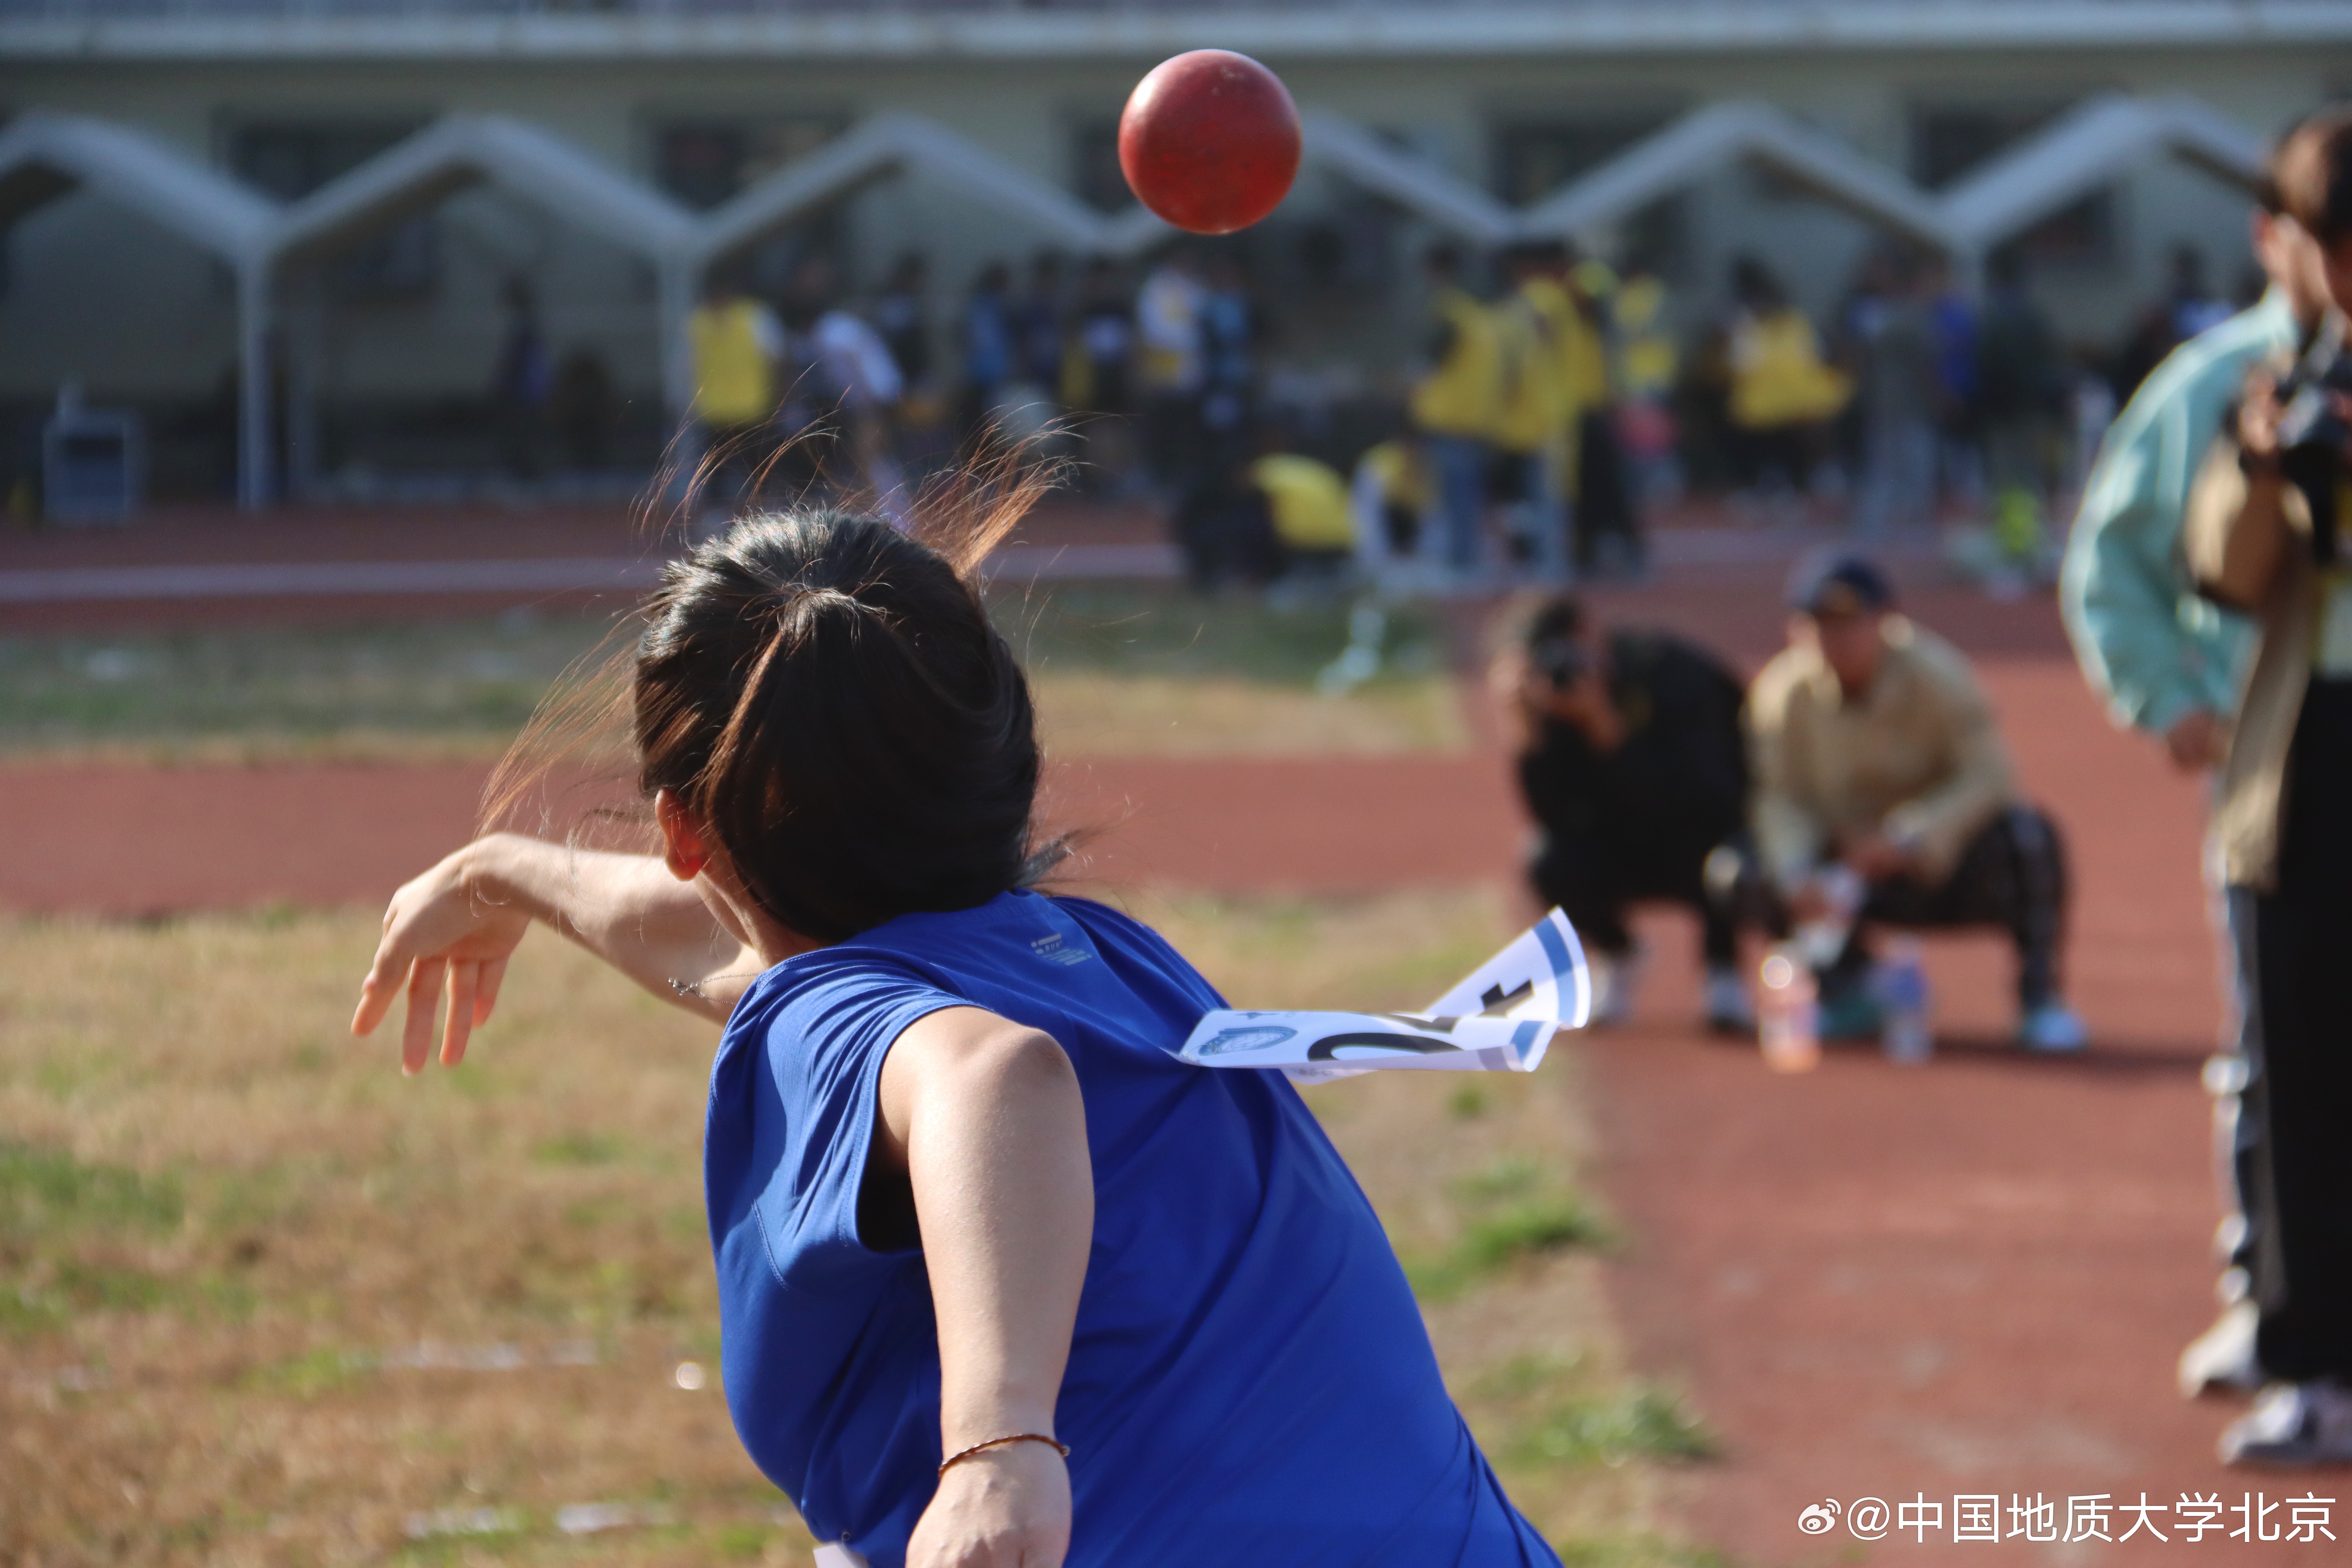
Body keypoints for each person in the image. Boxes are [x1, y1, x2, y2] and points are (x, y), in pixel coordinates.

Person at [349, 488, 1566, 1568]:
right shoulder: (1093, 958)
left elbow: (989, 1077)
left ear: (681, 828)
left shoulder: (883, 1021)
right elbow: (724, 940)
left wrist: (997, 1447)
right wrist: (504, 870)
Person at [2062, 126, 2330, 1403]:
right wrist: (2162, 692)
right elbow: (2113, 558)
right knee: (2270, 1041)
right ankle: (2262, 1289)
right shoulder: (2211, 383)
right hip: (2270, 757)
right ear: (2267, 232)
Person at [2179, 107, 2352, 1467]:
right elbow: (2228, 576)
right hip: (2311, 748)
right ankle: (2313, 1359)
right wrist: (2268, 465)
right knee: (2300, 1058)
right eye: (2330, 244)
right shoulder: (2283, 375)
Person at [1720, 554, 2085, 1050]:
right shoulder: (1781, 694)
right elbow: (1779, 796)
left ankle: (2040, 1000)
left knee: (2030, 840)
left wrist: (1909, 837)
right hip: (1840, 869)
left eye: (1850, 624)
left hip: (1935, 863)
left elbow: (1991, 774)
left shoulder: (1939, 676)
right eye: (1820, 626)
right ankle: (1845, 987)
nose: (1835, 640)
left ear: (1886, 622)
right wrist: (1796, 873)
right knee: (1736, 872)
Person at [1498, 596, 1751, 1032]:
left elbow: (1702, 802)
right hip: (1620, 844)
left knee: (1729, 849)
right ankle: (1618, 953)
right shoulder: (1552, 699)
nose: (1561, 667)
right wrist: (1530, 741)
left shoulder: (1669, 674)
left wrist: (1608, 729)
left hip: (1702, 839)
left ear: (1590, 633)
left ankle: (1723, 967)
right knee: (1545, 860)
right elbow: (1554, 819)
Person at [1723, 256, 1851, 505]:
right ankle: (1772, 482)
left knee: (1810, 425)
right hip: (1765, 404)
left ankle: (1816, 475)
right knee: (1759, 431)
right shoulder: (1749, 328)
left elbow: (1817, 356)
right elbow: (1741, 363)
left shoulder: (1795, 323)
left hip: (1796, 399)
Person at [1410, 243, 1502, 581]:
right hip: (1473, 414)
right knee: (1466, 495)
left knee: (1454, 498)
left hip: (1450, 416)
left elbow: (1432, 360)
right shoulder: (1473, 312)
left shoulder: (1446, 311)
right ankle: (1467, 558)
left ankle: (1462, 563)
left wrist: (1412, 387)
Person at [1486, 244, 1570, 579]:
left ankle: (1545, 559)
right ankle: (1540, 558)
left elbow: (1506, 374)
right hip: (1531, 420)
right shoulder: (1520, 313)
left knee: (1535, 497)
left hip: (1530, 422)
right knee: (1528, 499)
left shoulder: (1523, 311)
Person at [684, 270, 786, 513]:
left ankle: (763, 514)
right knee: (714, 471)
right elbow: (687, 365)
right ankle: (715, 520)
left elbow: (777, 358)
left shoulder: (754, 317)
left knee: (759, 469)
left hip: (753, 408)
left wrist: (778, 399)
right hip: (714, 411)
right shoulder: (697, 323)